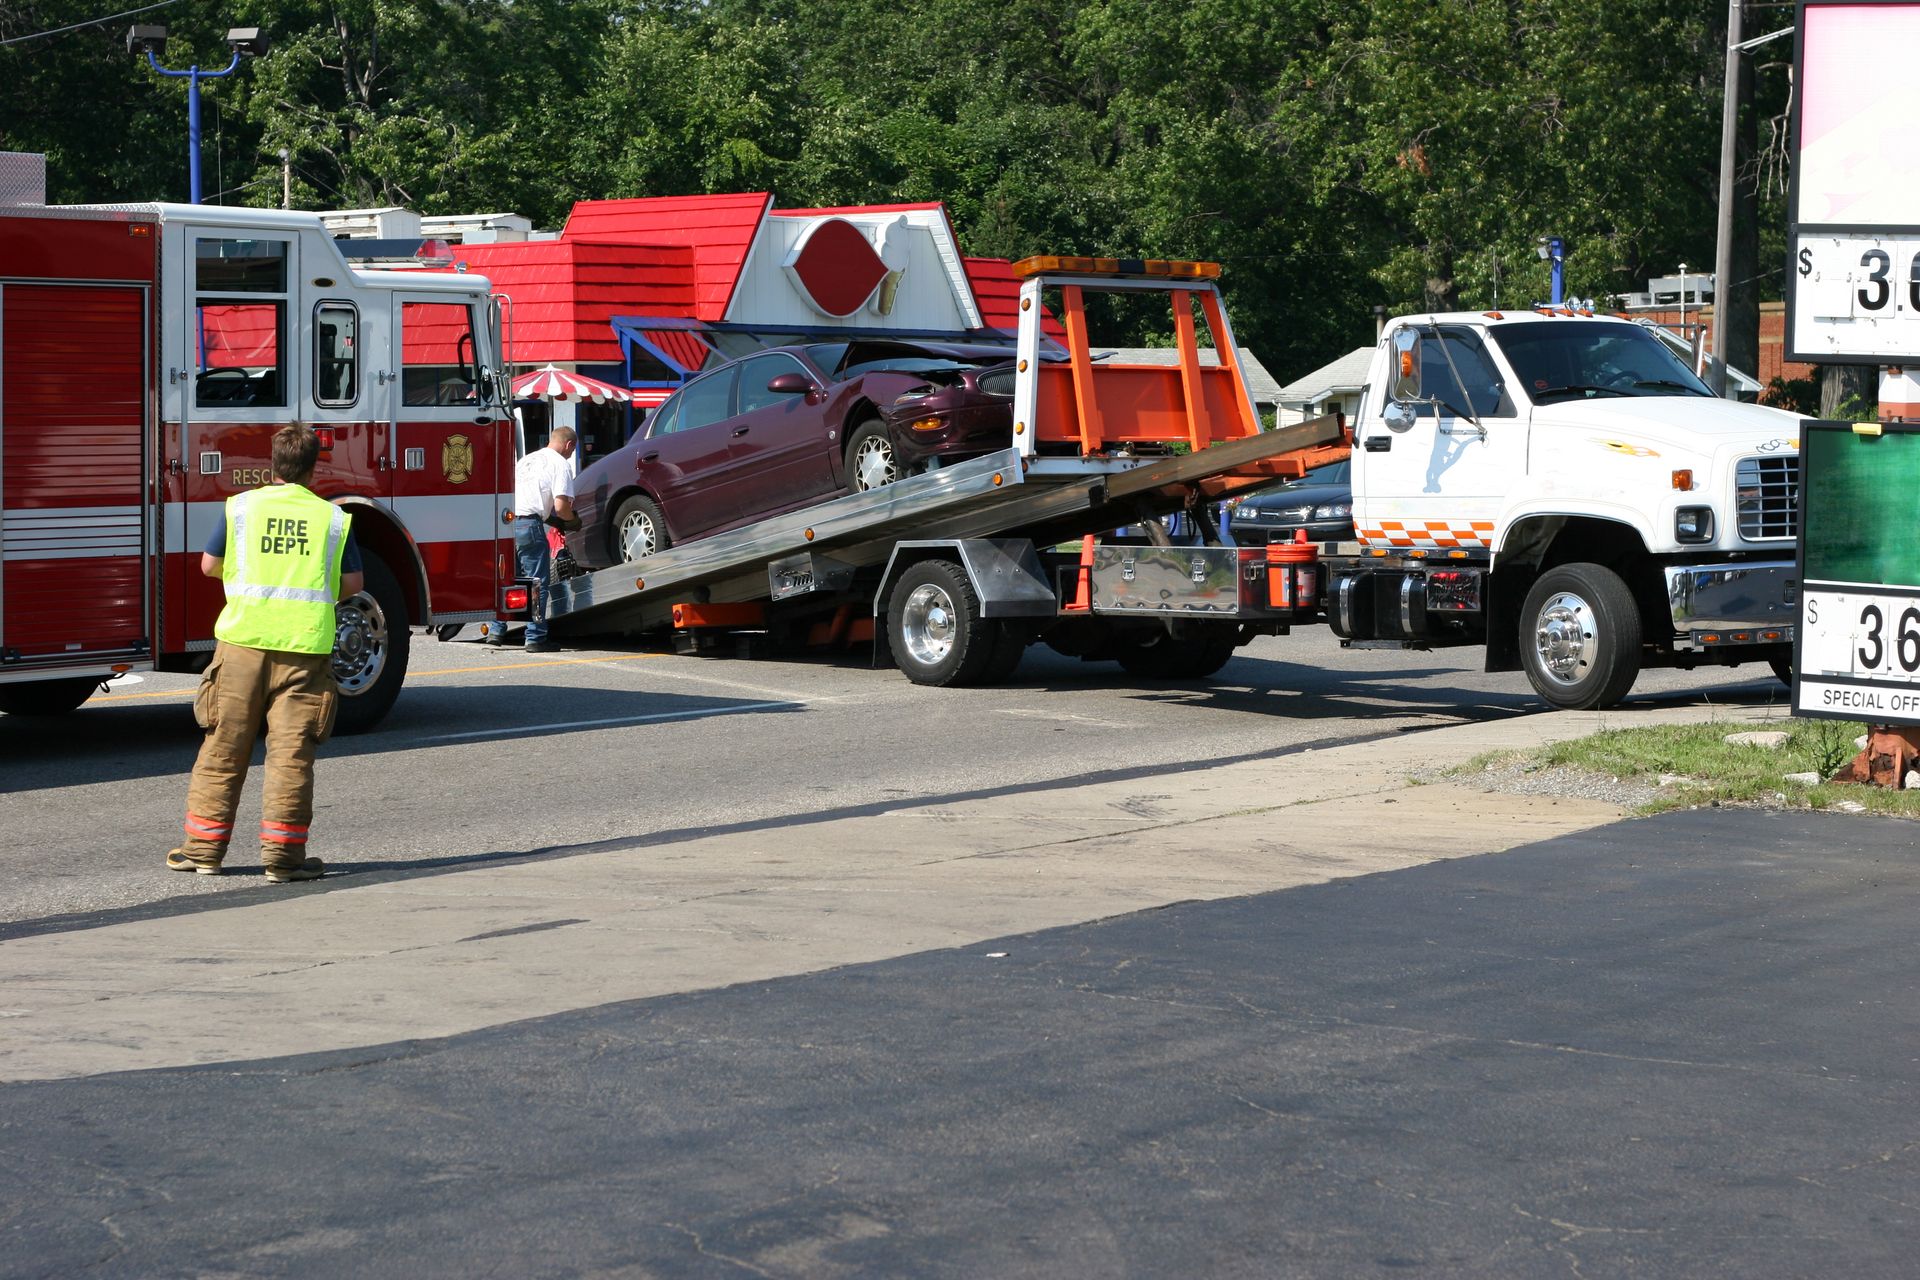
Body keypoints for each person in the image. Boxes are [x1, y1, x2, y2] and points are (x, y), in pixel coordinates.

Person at [168, 423, 364, 883]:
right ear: (315, 468)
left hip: (242, 646)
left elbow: (209, 565)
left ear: (271, 464)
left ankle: (204, 852)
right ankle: (282, 860)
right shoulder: (333, 518)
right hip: (304, 651)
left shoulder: (241, 508)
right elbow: (354, 585)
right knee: (291, 756)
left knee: (223, 747)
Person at [513, 424, 580, 653]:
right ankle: (535, 638)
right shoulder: (560, 464)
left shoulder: (526, 460)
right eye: (572, 451)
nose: (571, 455)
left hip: (506, 523)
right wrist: (571, 521)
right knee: (537, 584)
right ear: (569, 445)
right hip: (530, 526)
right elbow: (561, 507)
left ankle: (496, 630)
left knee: (509, 581)